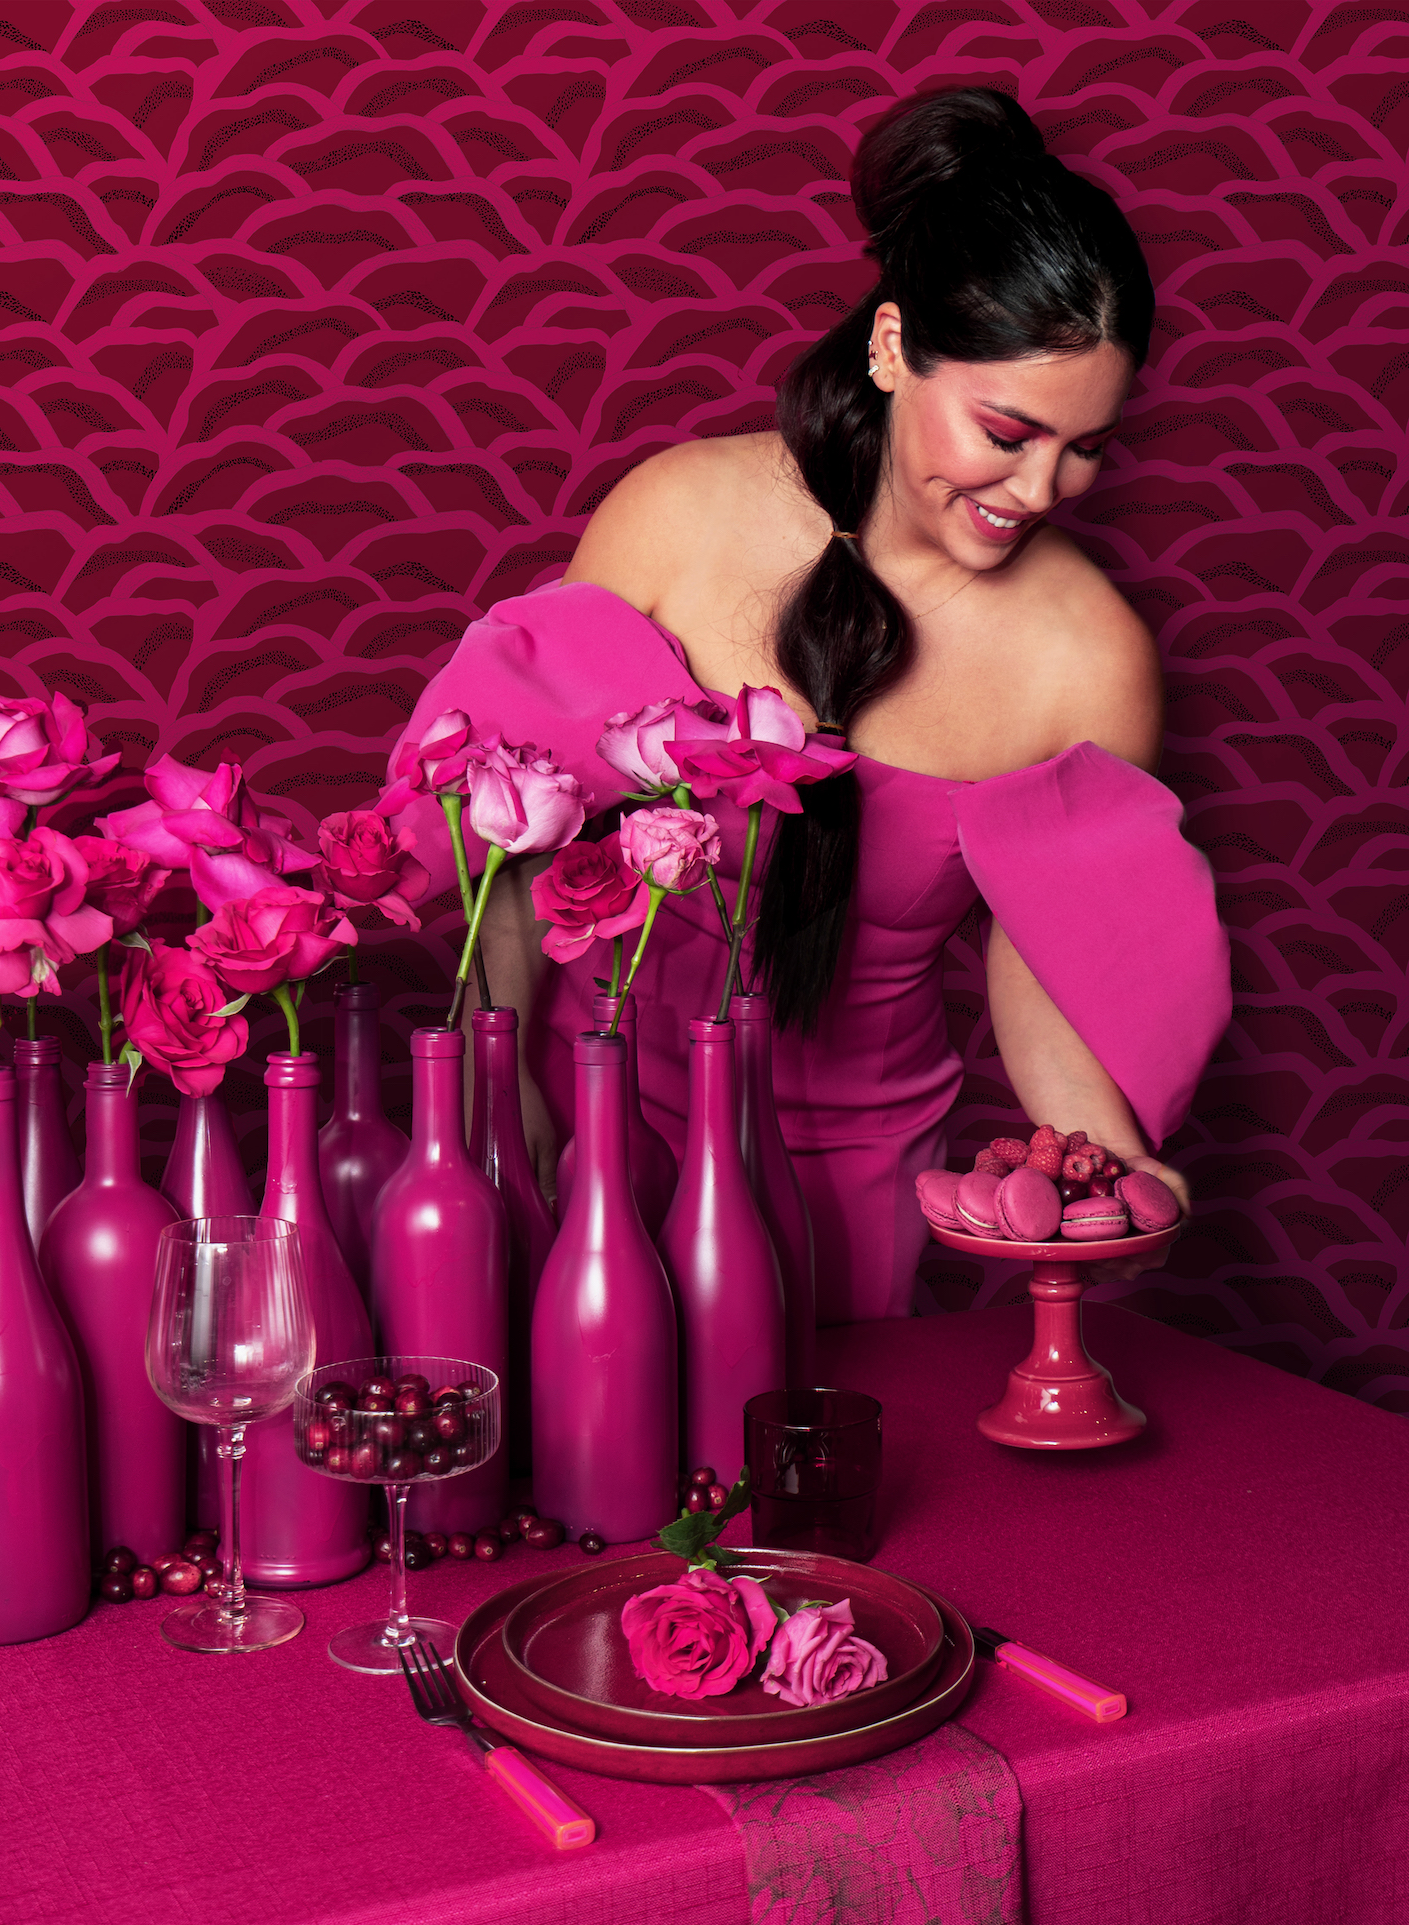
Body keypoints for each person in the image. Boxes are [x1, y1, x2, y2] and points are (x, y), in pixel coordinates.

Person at [404, 86, 1232, 1322]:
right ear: (894, 346)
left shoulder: (1088, 660)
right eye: (1008, 431)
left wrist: (1093, 1169)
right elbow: (518, 845)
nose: (1043, 488)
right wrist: (503, 1087)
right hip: (596, 1108)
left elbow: (1045, 968)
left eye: (1087, 445)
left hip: (862, 1163)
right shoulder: (677, 518)